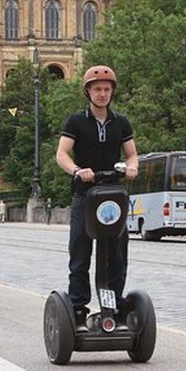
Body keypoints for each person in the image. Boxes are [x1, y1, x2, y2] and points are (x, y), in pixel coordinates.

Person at [55, 65, 139, 328]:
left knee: (117, 252)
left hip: (113, 195)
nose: (102, 94)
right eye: (97, 89)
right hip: (84, 195)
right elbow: (61, 155)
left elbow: (132, 154)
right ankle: (78, 307)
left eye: (106, 89)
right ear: (88, 92)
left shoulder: (121, 122)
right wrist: (78, 171)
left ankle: (111, 305)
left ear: (112, 92)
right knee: (80, 252)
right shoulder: (76, 121)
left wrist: (132, 167)